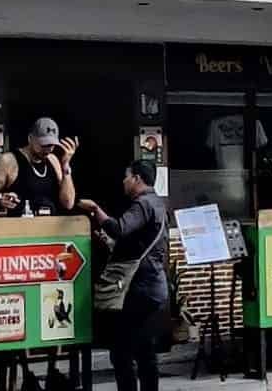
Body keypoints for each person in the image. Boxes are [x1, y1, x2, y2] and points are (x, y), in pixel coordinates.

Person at [78, 160, 167, 391]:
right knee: (145, 348)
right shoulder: (158, 203)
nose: (123, 181)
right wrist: (109, 243)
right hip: (154, 286)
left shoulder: (143, 204)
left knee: (121, 351)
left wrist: (96, 210)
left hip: (139, 288)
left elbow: (119, 228)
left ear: (137, 178)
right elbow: (135, 243)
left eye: (126, 176)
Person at [0, 117, 78, 215]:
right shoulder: (9, 161)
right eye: (43, 145)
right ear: (30, 138)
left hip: (48, 227)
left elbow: (68, 203)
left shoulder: (53, 160)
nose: (48, 149)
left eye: (51, 145)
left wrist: (65, 168)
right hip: (21, 227)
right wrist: (0, 203)